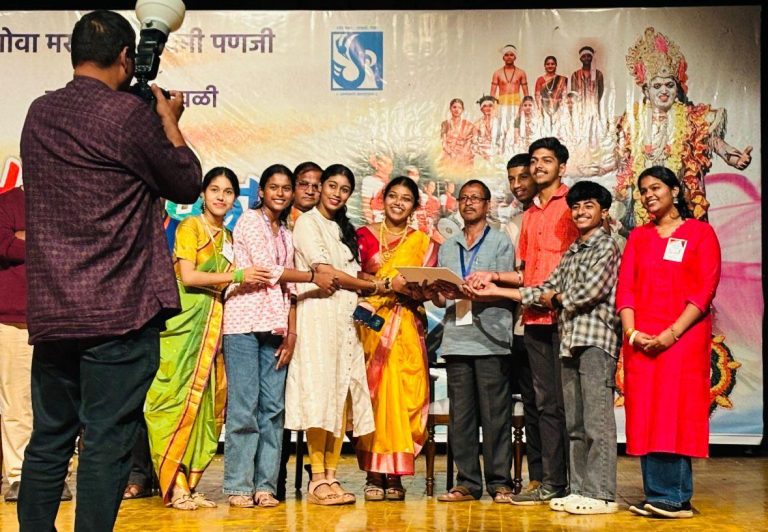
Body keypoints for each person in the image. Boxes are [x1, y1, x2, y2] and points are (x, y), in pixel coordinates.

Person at [18, 10, 202, 531]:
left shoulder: (39, 113)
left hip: (55, 311)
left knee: (50, 438)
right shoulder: (127, 118)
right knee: (105, 440)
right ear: (127, 57)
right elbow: (186, 182)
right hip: (118, 312)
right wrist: (168, 121)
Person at [471, 180, 622, 515]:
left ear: (604, 211)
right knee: (575, 424)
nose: (581, 212)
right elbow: (542, 288)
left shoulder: (606, 247)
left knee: (597, 422)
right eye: (577, 207)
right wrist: (494, 291)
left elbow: (586, 294)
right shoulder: (574, 250)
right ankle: (581, 489)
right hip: (570, 342)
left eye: (589, 206)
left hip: (596, 341)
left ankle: (603, 493)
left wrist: (553, 299)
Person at [144, 168, 269, 511]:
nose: (221, 197)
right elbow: (188, 275)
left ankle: (190, 482)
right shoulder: (191, 227)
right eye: (214, 189)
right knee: (171, 402)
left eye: (228, 192)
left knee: (206, 407)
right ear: (202, 194)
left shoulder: (229, 236)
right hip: (184, 324)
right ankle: (174, 485)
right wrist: (238, 274)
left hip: (214, 326)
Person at [222, 164, 338, 508]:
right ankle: (240, 485)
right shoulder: (249, 222)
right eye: (274, 187)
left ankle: (265, 486)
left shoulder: (287, 233)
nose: (281, 193)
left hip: (275, 327)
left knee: (273, 410)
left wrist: (291, 332)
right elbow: (265, 271)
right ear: (262, 191)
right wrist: (312, 275)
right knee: (245, 408)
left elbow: (286, 288)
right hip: (243, 324)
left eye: (286, 188)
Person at [472, 137, 578, 505]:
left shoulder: (574, 207)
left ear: (561, 167)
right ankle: (548, 481)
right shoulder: (530, 216)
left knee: (570, 404)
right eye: (535, 161)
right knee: (543, 404)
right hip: (534, 319)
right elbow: (526, 274)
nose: (538, 168)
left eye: (546, 161)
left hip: (571, 316)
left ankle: (578, 482)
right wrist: (493, 276)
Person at [617, 166, 721, 519]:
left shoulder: (700, 234)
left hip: (682, 341)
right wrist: (632, 334)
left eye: (656, 187)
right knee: (646, 412)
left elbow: (703, 290)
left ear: (675, 191)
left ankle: (675, 497)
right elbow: (626, 289)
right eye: (643, 190)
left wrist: (671, 334)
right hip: (642, 341)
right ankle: (656, 494)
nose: (648, 195)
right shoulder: (638, 237)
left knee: (673, 412)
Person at [285, 164, 376, 506]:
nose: (337, 193)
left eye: (344, 189)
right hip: (318, 319)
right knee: (319, 395)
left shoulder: (342, 230)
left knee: (339, 396)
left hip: (344, 323)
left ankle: (332, 475)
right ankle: (316, 476)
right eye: (332, 186)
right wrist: (372, 285)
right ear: (320, 188)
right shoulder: (308, 223)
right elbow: (326, 273)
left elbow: (347, 275)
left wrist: (365, 292)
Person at [426, 180, 515, 503]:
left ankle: (500, 482)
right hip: (455, 338)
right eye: (464, 198)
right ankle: (466, 483)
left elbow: (509, 289)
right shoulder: (448, 246)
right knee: (460, 417)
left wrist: (481, 288)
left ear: (487, 205)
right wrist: (437, 292)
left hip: (491, 337)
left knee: (495, 416)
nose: (469, 203)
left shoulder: (501, 242)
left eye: (476, 198)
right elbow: (439, 300)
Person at [615, 27, 752, 229]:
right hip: (644, 204)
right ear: (646, 89)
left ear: (676, 88)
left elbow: (714, 142)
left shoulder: (691, 117)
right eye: (657, 86)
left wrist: (735, 158)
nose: (664, 91)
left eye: (669, 85)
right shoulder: (632, 121)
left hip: (681, 203)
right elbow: (619, 160)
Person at [355, 176, 437, 502]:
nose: (398, 203)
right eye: (393, 196)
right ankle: (375, 473)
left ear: (414, 206)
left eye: (406, 198)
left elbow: (429, 288)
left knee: (405, 396)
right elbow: (356, 275)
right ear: (382, 199)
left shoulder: (422, 241)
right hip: (370, 323)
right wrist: (384, 283)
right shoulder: (363, 236)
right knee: (373, 398)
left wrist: (420, 288)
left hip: (407, 326)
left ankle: (396, 475)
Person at [1, 187, 73, 504]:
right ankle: (17, 475)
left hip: (59, 316)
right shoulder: (8, 203)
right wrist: (44, 243)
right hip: (15, 318)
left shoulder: (64, 199)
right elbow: (3, 244)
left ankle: (59, 476)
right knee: (16, 401)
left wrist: (24, 238)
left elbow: (72, 247)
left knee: (59, 403)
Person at [502, 154, 543, 496]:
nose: (518, 185)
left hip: (555, 321)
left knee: (553, 406)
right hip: (521, 326)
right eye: (512, 179)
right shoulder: (513, 224)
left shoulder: (564, 215)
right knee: (532, 404)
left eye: (523, 177)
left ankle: (564, 477)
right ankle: (539, 476)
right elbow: (517, 276)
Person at [534, 56, 568, 135]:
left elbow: (564, 94)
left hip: (558, 108)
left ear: (556, 65)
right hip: (544, 108)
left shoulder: (562, 79)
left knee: (558, 131)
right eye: (548, 64)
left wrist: (561, 109)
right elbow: (537, 95)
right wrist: (541, 110)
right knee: (545, 131)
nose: (550, 66)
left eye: (552, 64)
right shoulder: (540, 79)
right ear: (544, 66)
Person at [570, 46, 604, 123]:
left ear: (592, 58)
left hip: (593, 108)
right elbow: (574, 94)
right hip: (579, 110)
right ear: (580, 58)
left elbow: (600, 92)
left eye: (589, 56)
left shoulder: (598, 74)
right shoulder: (575, 75)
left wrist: (592, 102)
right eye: (584, 56)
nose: (586, 58)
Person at [439, 98, 476, 168]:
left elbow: (469, 142)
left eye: (459, 107)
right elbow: (443, 142)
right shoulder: (445, 124)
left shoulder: (469, 125)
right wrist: (451, 153)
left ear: (462, 110)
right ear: (450, 109)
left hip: (464, 155)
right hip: (449, 154)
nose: (457, 110)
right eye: (454, 107)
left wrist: (461, 155)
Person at [287, 161, 323, 230]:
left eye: (315, 186)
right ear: (292, 186)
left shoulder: (328, 222)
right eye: (303, 184)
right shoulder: (277, 218)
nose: (310, 192)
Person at [361, 154, 393, 224]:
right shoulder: (369, 180)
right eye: (384, 163)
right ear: (377, 164)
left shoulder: (392, 183)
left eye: (390, 164)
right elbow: (366, 205)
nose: (389, 167)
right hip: (376, 221)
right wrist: (372, 223)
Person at [473, 95, 503, 161]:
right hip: (481, 154)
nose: (487, 108)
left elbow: (505, 142)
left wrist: (498, 154)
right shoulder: (477, 124)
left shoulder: (501, 123)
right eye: (485, 106)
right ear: (481, 109)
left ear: (494, 107)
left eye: (490, 105)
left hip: (497, 154)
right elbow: (474, 143)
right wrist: (482, 155)